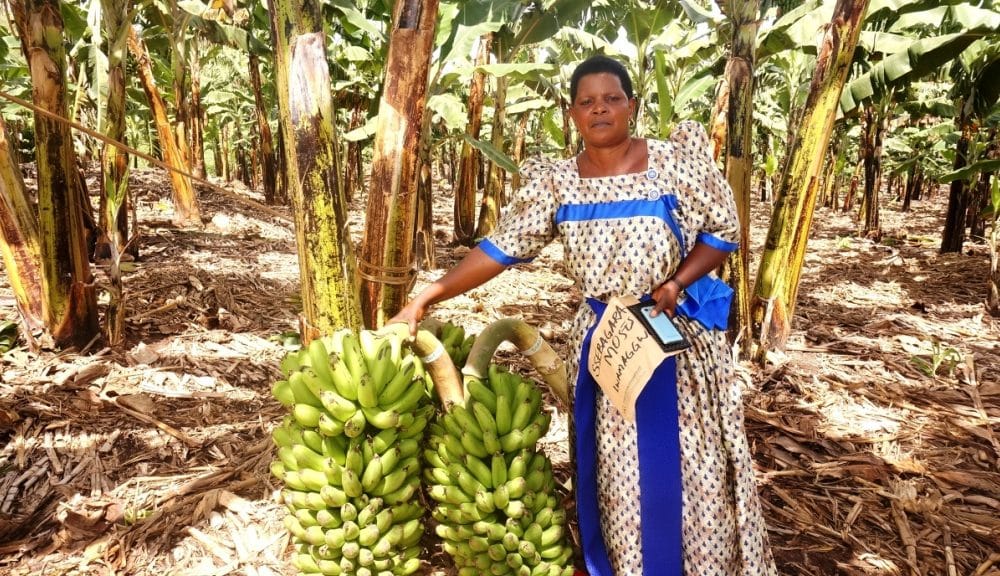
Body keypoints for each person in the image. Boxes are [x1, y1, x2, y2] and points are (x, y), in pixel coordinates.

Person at [391, 54, 776, 576]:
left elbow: (722, 233)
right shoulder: (556, 183)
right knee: (618, 477)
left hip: (674, 341)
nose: (600, 109)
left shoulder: (675, 163)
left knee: (691, 470)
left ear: (632, 106)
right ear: (572, 114)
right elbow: (501, 249)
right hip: (609, 345)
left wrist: (676, 282)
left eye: (612, 98)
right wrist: (426, 298)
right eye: (587, 102)